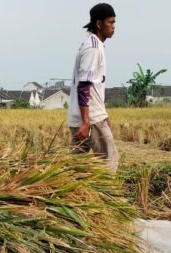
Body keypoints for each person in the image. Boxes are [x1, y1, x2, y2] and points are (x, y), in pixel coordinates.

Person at [68, 3, 119, 172]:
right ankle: (110, 197)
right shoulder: (93, 48)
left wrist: (105, 116)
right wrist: (86, 122)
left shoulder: (90, 44)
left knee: (76, 170)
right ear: (99, 24)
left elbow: (95, 87)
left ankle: (72, 196)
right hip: (91, 121)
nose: (114, 26)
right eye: (110, 22)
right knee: (109, 165)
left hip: (86, 118)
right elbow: (84, 86)